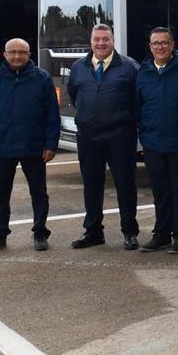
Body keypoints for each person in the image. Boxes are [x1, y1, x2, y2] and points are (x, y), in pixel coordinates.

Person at [0, 38, 60, 253]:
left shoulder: (42, 79)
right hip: (3, 147)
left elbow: (52, 114)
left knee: (39, 193)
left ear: (29, 55)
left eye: (21, 52)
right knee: (1, 195)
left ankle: (40, 233)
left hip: (34, 147)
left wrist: (51, 144)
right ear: (5, 55)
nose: (17, 56)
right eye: (12, 52)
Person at [67, 23, 141, 250]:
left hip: (120, 137)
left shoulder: (129, 67)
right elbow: (74, 95)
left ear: (113, 41)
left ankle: (130, 232)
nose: (101, 43)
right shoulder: (78, 67)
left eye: (105, 39)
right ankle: (93, 232)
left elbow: (138, 100)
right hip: (88, 137)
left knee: (125, 185)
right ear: (90, 42)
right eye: (96, 39)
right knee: (91, 186)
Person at [135, 27, 178, 254]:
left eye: (164, 43)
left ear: (172, 45)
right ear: (150, 47)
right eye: (155, 43)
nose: (159, 47)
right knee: (160, 193)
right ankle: (161, 234)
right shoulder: (143, 71)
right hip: (152, 143)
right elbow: (138, 105)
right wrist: (144, 133)